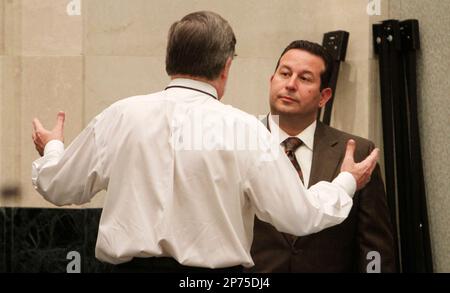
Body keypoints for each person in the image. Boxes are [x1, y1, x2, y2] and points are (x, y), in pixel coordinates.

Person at [31, 12, 379, 273]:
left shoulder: (121, 116)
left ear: (170, 59)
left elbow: (58, 185)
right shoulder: (244, 129)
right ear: (226, 66)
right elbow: (299, 216)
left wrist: (53, 148)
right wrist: (346, 182)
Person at [248, 40, 397, 273]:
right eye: (284, 73)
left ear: (324, 96)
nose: (290, 84)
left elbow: (375, 249)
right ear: (271, 80)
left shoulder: (357, 152)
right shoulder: (240, 143)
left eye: (305, 78)